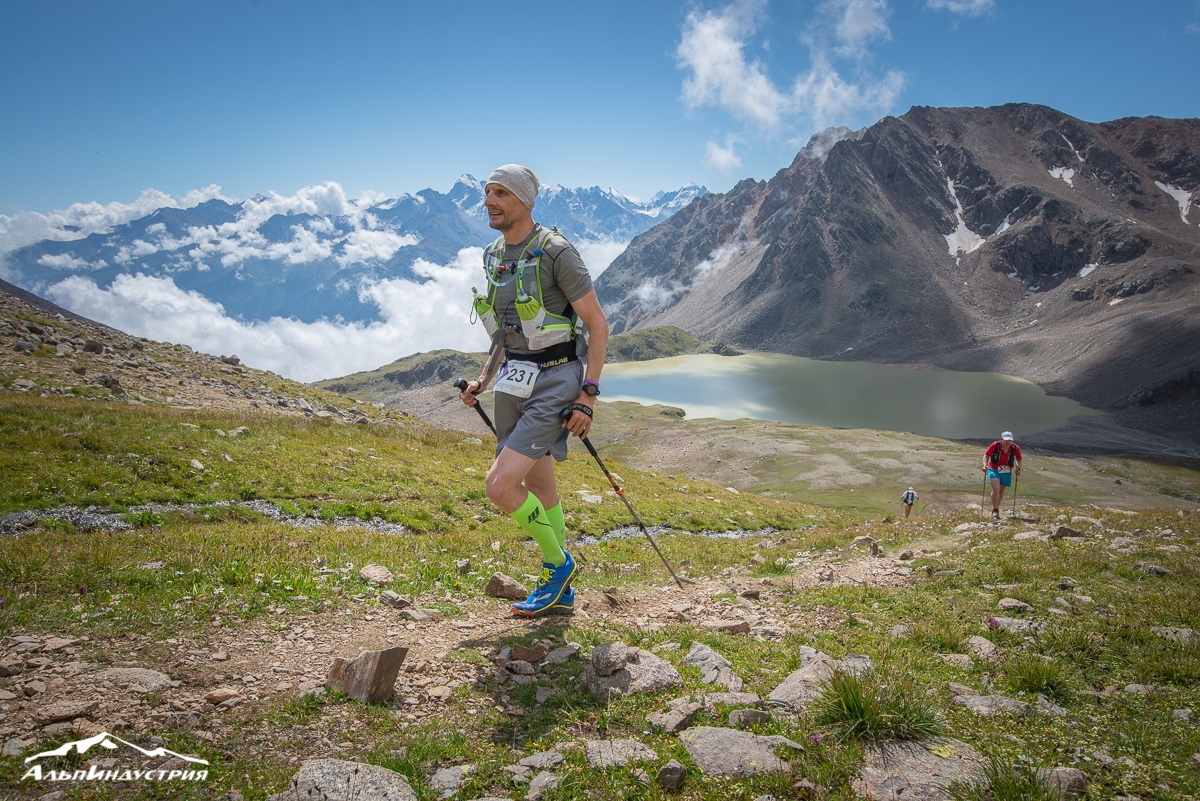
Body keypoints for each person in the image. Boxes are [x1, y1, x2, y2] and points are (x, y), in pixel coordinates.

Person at [458, 164, 609, 617]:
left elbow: (598, 326)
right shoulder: (493, 255)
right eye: (487, 192)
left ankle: (557, 565)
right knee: (540, 484)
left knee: (500, 486)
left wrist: (587, 396)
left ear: (524, 200)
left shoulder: (557, 252)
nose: (489, 201)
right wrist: (483, 380)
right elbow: (505, 333)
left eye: (500, 193)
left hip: (556, 378)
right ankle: (562, 593)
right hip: (512, 380)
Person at [983, 431, 1022, 519]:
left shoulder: (1015, 448)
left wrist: (1018, 468)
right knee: (996, 488)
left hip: (1006, 470)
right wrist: (985, 465)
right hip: (994, 469)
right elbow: (986, 455)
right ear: (1002, 439)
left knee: (1001, 491)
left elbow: (1019, 459)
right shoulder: (995, 445)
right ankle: (995, 510)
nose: (1008, 442)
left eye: (1010, 440)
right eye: (1006, 440)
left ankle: (996, 507)